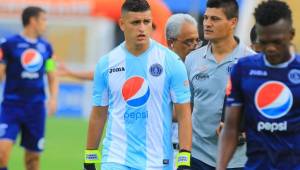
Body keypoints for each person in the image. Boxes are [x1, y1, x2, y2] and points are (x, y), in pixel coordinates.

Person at [83, 0, 192, 170]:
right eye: (135, 22)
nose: (142, 28)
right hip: (115, 158)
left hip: (157, 161)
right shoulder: (106, 63)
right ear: (122, 24)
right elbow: (98, 113)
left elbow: (184, 114)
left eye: (146, 22)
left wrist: (184, 158)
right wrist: (89, 157)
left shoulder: (171, 62)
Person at [217, 0, 300, 169]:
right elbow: (231, 128)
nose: (270, 48)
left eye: (277, 41)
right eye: (264, 41)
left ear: (291, 34)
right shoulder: (243, 69)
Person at [184, 0, 255, 169]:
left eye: (215, 19)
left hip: (237, 159)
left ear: (233, 22)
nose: (207, 24)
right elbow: (185, 108)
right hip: (198, 156)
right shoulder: (192, 59)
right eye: (206, 18)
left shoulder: (251, 60)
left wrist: (244, 130)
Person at [0, 6, 58, 170]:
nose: (46, 24)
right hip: (11, 107)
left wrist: (53, 98)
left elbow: (52, 75)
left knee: (33, 160)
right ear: (33, 21)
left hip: (36, 108)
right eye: (44, 20)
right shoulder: (9, 45)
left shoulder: (46, 47)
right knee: (1, 154)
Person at [165, 13, 200, 169]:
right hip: (163, 152)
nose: (194, 46)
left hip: (197, 153)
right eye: (188, 41)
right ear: (171, 43)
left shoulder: (203, 68)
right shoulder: (159, 69)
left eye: (197, 41)